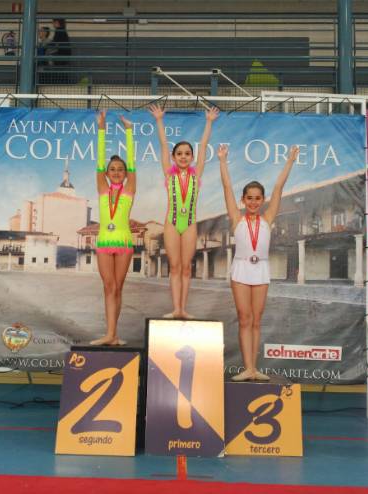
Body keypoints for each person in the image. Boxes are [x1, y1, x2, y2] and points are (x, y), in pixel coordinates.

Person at [218, 143, 299, 381]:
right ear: (243, 200)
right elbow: (226, 187)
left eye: (257, 198)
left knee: (256, 320)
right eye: (249, 198)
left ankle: (254, 368)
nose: (253, 202)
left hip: (261, 269)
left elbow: (278, 187)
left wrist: (290, 161)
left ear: (263, 200)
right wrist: (222, 161)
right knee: (244, 318)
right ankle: (247, 368)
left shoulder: (268, 218)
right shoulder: (236, 218)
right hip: (241, 268)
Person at [149, 104, 219, 319]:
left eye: (187, 154)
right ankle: (175, 309)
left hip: (189, 224)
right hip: (171, 223)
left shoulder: (196, 174)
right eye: (179, 154)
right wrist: (159, 120)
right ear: (173, 157)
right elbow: (163, 144)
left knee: (186, 267)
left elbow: (204, 144)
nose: (183, 156)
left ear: (192, 157)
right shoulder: (168, 173)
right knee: (175, 266)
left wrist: (209, 122)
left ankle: (183, 309)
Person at [90, 111, 136, 346]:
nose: (116, 172)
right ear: (107, 174)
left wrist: (129, 131)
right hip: (104, 243)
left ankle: (113, 334)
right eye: (112, 169)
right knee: (108, 287)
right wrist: (102, 129)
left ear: (126, 174)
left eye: (120, 169)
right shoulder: (102, 189)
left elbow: (133, 164)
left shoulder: (129, 190)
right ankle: (111, 334)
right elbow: (99, 162)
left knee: (118, 288)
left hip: (124, 242)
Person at [50, 18, 71, 83]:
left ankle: (59, 81)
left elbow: (55, 42)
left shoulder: (58, 30)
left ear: (57, 22)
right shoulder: (63, 30)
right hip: (65, 52)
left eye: (53, 22)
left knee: (59, 67)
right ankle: (63, 81)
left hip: (62, 52)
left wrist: (47, 45)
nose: (52, 24)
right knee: (62, 68)